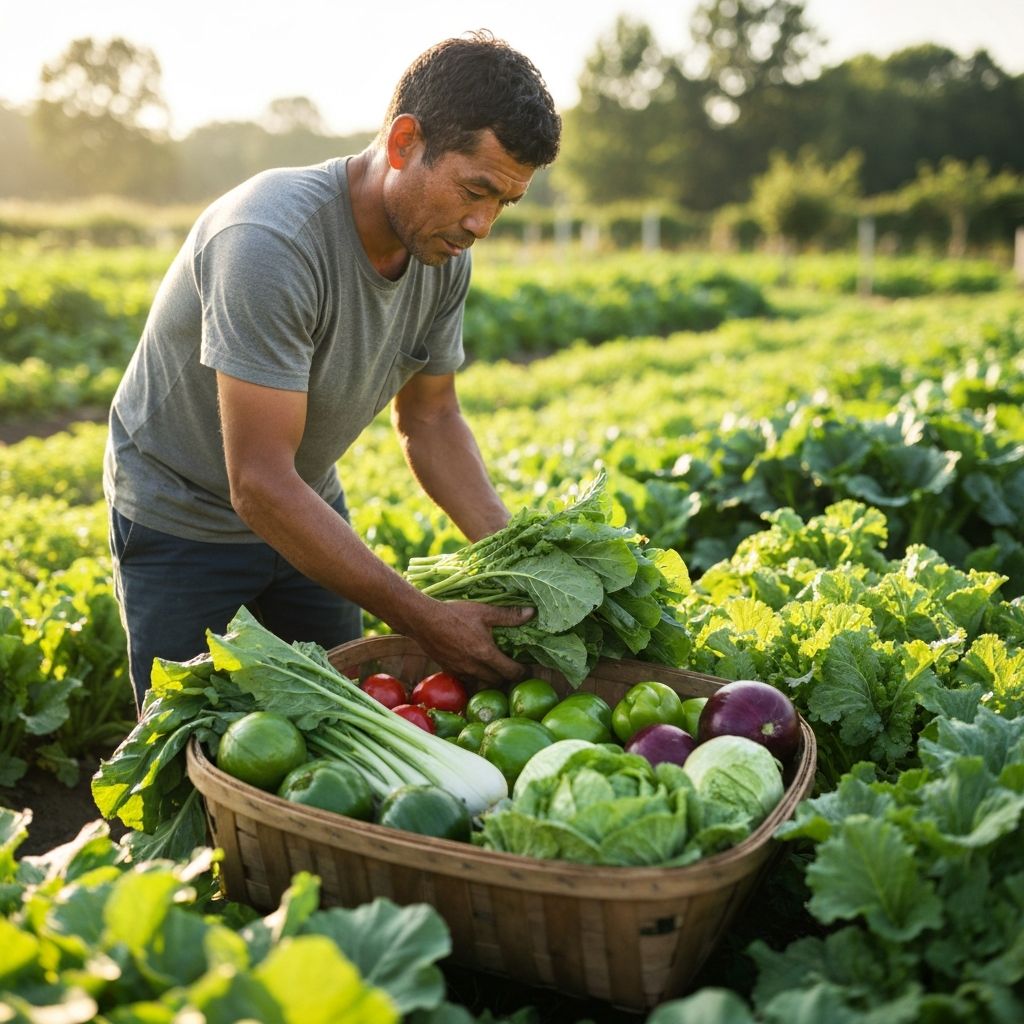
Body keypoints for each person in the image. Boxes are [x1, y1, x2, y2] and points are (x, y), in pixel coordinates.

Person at [103, 30, 562, 711]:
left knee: (332, 718)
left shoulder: (441, 256)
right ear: (405, 142)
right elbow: (256, 483)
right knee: (190, 748)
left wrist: (516, 557)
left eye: (504, 202)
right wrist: (421, 615)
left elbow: (431, 419)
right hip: (185, 519)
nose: (483, 224)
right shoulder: (271, 242)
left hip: (304, 502)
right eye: (476, 190)